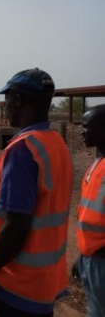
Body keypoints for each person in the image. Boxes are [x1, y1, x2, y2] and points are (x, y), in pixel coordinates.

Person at [0, 68, 73, 316]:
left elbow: (17, 226)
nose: (5, 108)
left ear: (18, 100)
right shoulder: (56, 144)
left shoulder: (23, 150)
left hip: (17, 284)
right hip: (44, 285)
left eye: (7, 100)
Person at [73, 104, 105, 316]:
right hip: (90, 260)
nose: (82, 131)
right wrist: (82, 258)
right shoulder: (96, 165)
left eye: (87, 126)